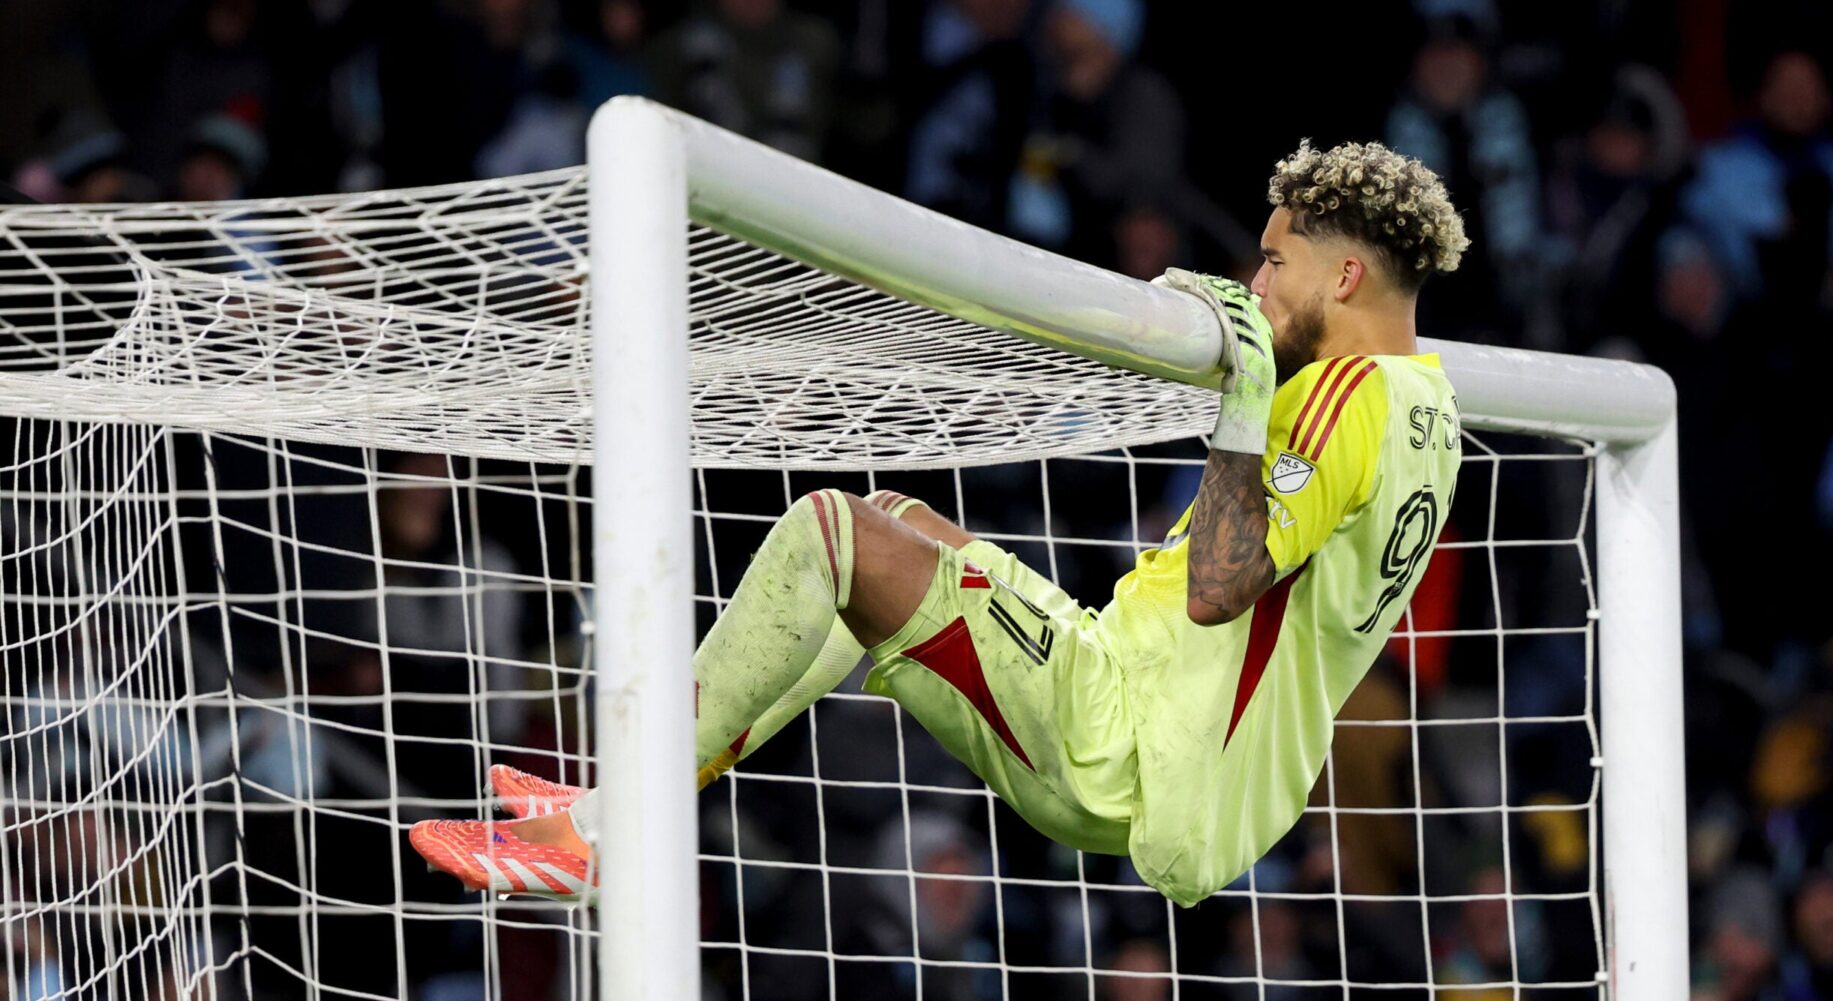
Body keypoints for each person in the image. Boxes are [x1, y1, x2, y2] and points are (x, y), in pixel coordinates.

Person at [409, 140, 1469, 908]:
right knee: (890, 516)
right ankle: (633, 791)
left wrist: (1240, 397)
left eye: (1274, 262)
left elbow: (1220, 585)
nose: (1256, 284)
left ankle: (606, 835)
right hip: (1162, 718)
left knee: (827, 529)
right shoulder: (1435, 411)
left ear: (1345, 274)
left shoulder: (1347, 394)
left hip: (1136, 741)